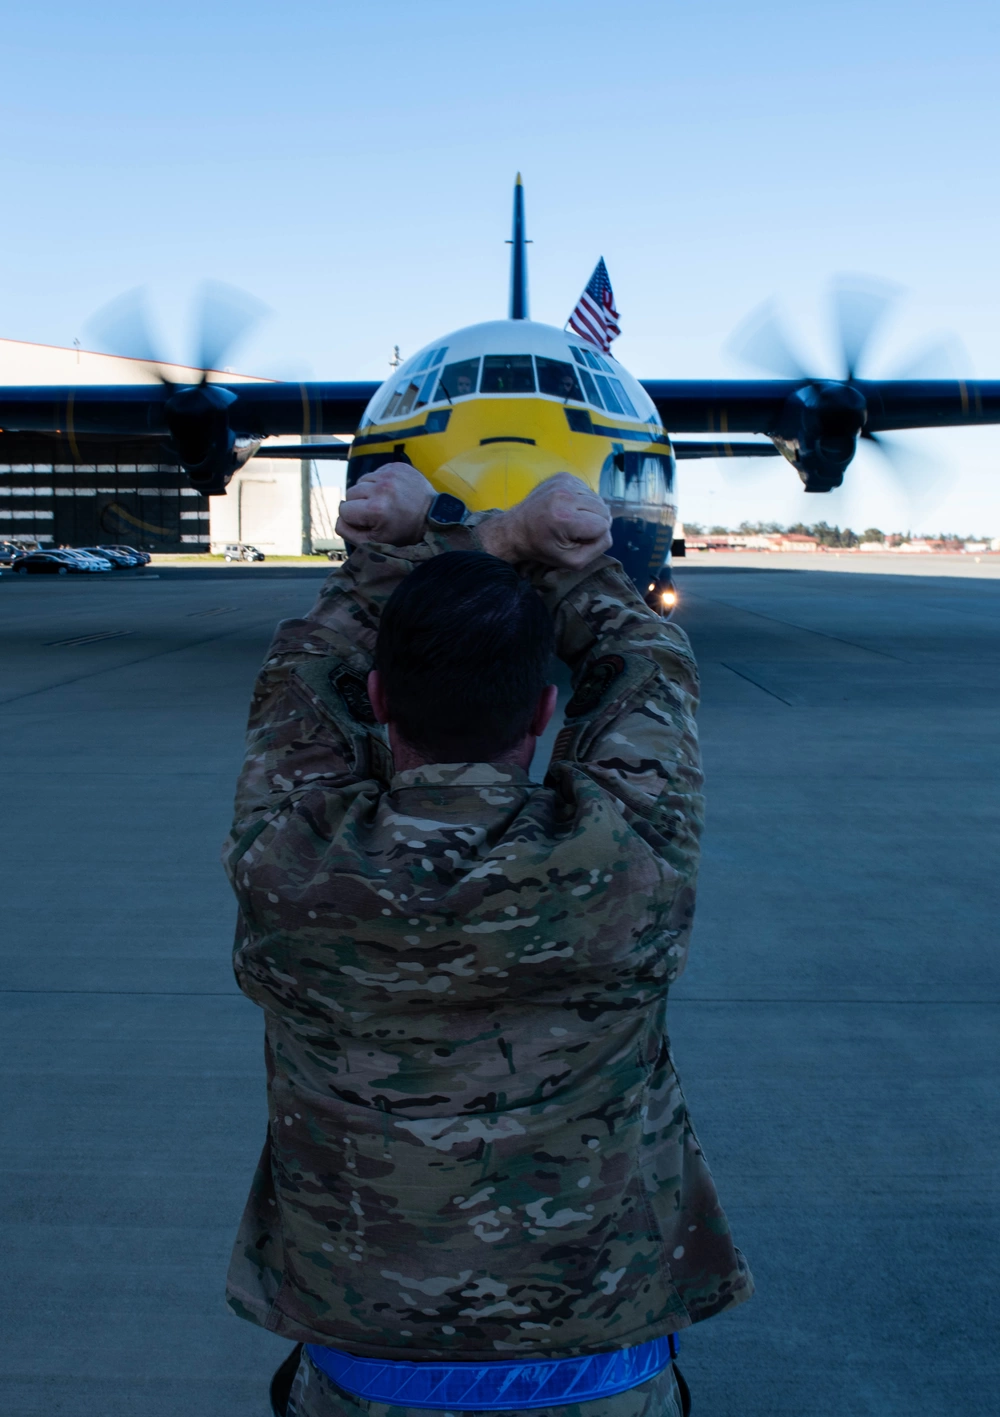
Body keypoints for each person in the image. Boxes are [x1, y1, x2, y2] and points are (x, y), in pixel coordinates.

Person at [223, 466, 753, 1417]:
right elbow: (648, 668)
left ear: (380, 700)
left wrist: (387, 553)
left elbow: (301, 683)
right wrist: (570, 561)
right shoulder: (627, 855)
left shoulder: (291, 865)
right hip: (601, 1374)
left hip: (368, 1378)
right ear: (546, 715)